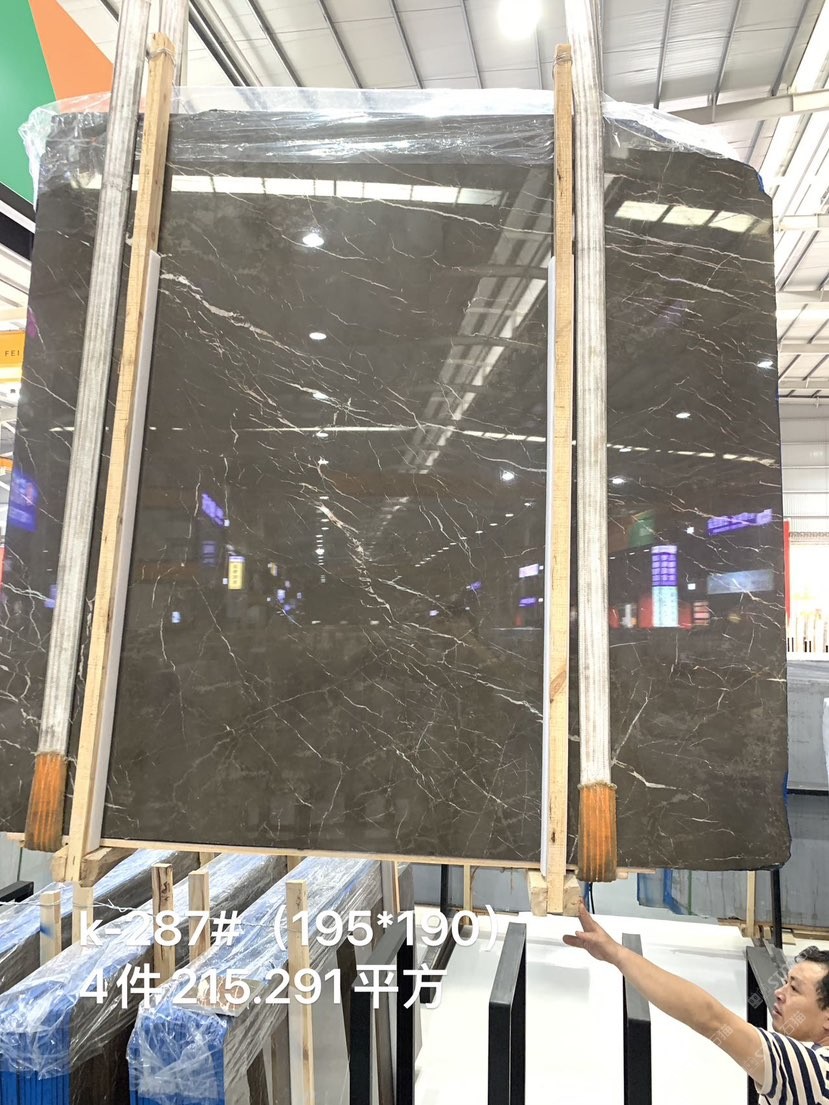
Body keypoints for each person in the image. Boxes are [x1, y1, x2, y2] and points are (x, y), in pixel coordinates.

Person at [564, 905, 829, 1103]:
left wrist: (617, 955)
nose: (779, 993)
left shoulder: (814, 1074)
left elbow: (709, 1017)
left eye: (795, 989)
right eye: (785, 983)